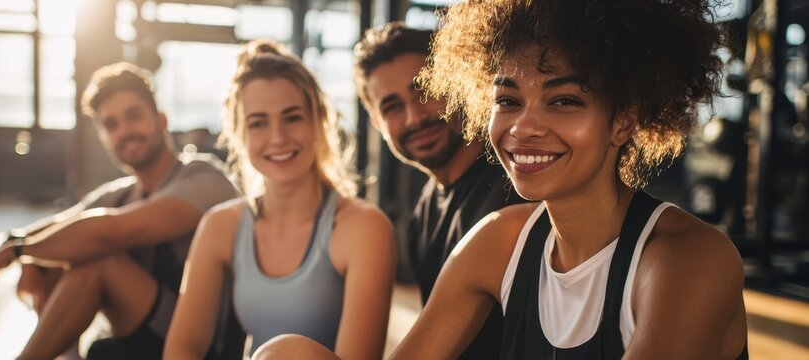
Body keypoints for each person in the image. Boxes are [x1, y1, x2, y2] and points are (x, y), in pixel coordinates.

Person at [254, 0, 749, 358]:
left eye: (564, 100)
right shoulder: (498, 239)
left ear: (624, 120)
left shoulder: (686, 257)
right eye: (508, 101)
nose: (523, 128)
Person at [0, 62, 243, 359]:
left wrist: (19, 251)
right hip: (141, 339)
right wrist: (19, 244)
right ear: (104, 138)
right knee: (54, 253)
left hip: (201, 347)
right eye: (111, 125)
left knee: (97, 259)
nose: (125, 130)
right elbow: (63, 224)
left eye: (133, 116)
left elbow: (113, 231)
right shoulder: (121, 193)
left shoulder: (204, 178)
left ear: (161, 120)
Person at [163, 40, 395, 360]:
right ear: (238, 134)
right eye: (258, 123)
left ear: (319, 121)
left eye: (292, 117)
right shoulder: (220, 225)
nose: (278, 138)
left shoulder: (364, 227)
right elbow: (182, 350)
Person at [352, 22, 525, 359]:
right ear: (377, 123)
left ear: (458, 84)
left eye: (425, 91)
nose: (414, 117)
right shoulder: (423, 214)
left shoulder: (520, 185)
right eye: (392, 107)